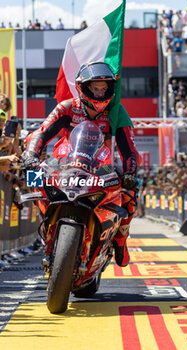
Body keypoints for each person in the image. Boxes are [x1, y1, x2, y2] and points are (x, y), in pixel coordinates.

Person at [24, 62, 140, 267]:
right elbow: (41, 132)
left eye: (104, 88)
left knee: (131, 192)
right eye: (95, 88)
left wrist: (130, 172)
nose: (100, 92)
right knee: (33, 179)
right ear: (83, 87)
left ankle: (121, 241)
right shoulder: (67, 107)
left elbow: (129, 149)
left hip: (101, 167)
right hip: (63, 163)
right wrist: (31, 156)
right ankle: (46, 227)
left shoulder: (116, 111)